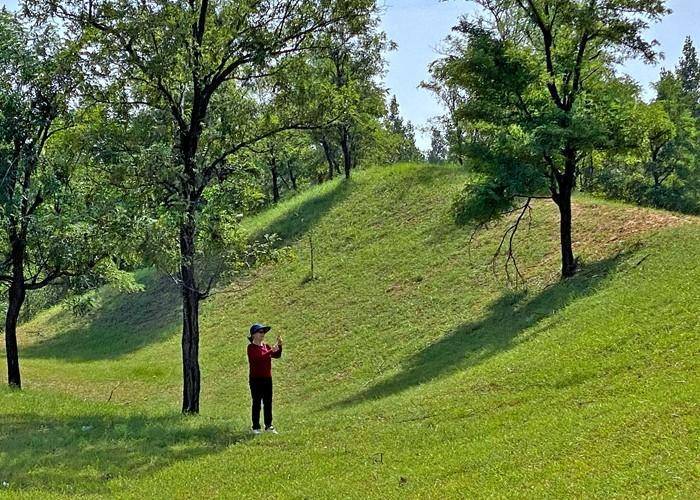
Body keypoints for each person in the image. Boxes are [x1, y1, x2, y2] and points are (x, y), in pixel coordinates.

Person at [247, 323, 282, 434]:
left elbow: (277, 355)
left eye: (263, 332)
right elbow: (258, 359)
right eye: (260, 332)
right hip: (255, 379)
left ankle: (269, 426)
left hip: (267, 378)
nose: (263, 334)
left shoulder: (265, 346)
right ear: (253, 335)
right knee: (256, 402)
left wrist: (279, 346)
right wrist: (272, 350)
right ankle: (256, 427)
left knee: (268, 402)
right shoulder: (251, 348)